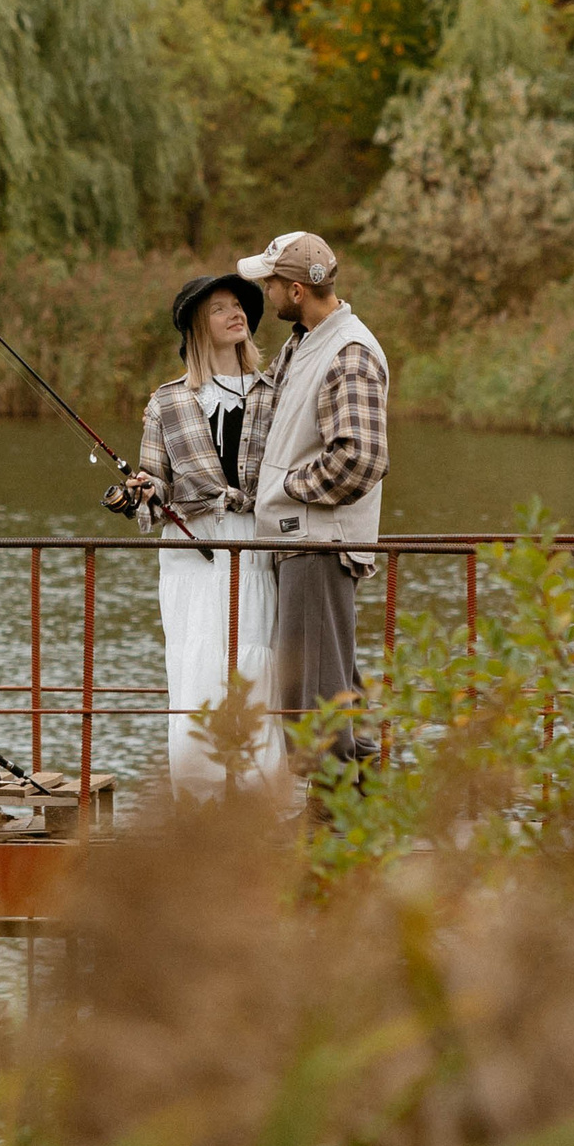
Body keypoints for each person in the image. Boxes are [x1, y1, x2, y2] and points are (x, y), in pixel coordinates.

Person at [115, 273, 285, 796]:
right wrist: (140, 491)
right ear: (196, 326)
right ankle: (199, 804)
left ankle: (258, 797)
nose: (235, 314)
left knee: (254, 658)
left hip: (253, 542)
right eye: (219, 309)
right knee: (197, 664)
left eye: (239, 306)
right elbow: (154, 487)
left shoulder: (273, 392)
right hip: (190, 552)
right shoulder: (166, 402)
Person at [233, 231, 389, 776]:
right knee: (336, 689)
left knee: (312, 698)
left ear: (296, 290)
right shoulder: (306, 341)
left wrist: (288, 489)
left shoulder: (349, 353)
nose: (265, 292)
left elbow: (362, 459)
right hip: (303, 543)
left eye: (270, 282)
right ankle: (363, 814)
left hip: (318, 545)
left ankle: (333, 824)